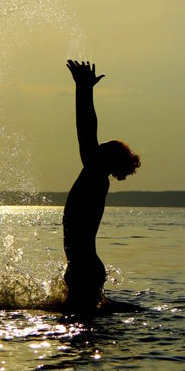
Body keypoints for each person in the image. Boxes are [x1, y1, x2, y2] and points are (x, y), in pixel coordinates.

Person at [63, 60, 141, 312]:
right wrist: (83, 89)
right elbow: (86, 133)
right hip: (84, 266)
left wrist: (84, 89)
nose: (99, 144)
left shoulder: (95, 175)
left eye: (103, 145)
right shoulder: (95, 177)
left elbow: (85, 130)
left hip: (84, 267)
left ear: (106, 157)